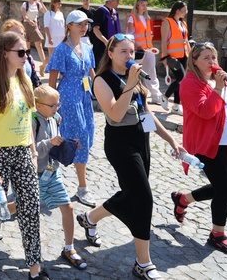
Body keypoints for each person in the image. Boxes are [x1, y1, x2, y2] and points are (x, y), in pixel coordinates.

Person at [78, 33, 184, 280]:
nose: (129, 56)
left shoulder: (134, 79)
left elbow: (146, 114)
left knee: (131, 193)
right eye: (123, 52)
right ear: (111, 53)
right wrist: (129, 86)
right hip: (120, 144)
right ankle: (143, 263)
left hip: (140, 141)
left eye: (132, 51)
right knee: (143, 198)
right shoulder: (102, 80)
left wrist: (170, 139)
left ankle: (89, 218)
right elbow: (115, 114)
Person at [0, 31, 48, 280]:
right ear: (5, 53)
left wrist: (34, 152)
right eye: (21, 52)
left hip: (24, 152)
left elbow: (28, 121)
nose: (27, 56)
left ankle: (35, 268)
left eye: (27, 51)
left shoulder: (24, 80)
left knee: (31, 208)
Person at [170, 42, 227, 257]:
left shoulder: (218, 80)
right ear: (194, 60)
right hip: (208, 144)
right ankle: (217, 234)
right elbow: (206, 111)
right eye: (206, 58)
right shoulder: (189, 84)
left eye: (213, 58)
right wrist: (218, 88)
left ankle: (183, 199)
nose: (212, 62)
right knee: (224, 188)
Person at [32, 85, 87, 271]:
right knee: (19, 207)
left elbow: (57, 140)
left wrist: (69, 144)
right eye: (53, 105)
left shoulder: (55, 118)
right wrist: (49, 143)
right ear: (38, 106)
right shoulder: (33, 121)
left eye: (58, 104)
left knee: (68, 207)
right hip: (36, 174)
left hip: (52, 172)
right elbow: (32, 150)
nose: (57, 108)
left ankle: (69, 248)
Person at [46, 10, 97, 208]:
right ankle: (82, 187)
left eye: (85, 24)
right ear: (69, 26)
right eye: (79, 24)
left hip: (84, 96)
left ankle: (50, 175)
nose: (84, 27)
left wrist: (102, 90)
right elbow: (52, 78)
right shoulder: (61, 49)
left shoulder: (87, 47)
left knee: (87, 134)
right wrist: (50, 103)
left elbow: (92, 72)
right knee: (79, 137)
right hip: (68, 96)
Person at [126, 0, 167, 109]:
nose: (145, 7)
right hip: (138, 50)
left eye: (146, 5)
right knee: (137, 73)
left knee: (151, 72)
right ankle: (134, 95)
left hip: (149, 49)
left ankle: (155, 95)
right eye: (143, 4)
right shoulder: (132, 18)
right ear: (137, 5)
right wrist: (138, 46)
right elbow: (130, 35)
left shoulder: (147, 18)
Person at [160, 1, 190, 114]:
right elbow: (163, 41)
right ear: (177, 10)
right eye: (184, 10)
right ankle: (165, 96)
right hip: (172, 56)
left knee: (181, 81)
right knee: (182, 79)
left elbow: (186, 41)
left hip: (183, 55)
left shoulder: (183, 24)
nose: (186, 12)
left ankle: (176, 105)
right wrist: (165, 57)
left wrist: (192, 55)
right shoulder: (167, 22)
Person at [2, 19, 41, 88]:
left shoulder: (28, 58)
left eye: (22, 34)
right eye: (15, 34)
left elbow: (33, 79)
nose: (20, 37)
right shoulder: (3, 59)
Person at [92, 0, 122, 68]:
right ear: (110, 0)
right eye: (117, 0)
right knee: (100, 67)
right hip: (101, 47)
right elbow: (96, 29)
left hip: (113, 46)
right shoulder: (100, 12)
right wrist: (106, 42)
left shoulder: (115, 13)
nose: (119, 2)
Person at [21, 0, 47, 72]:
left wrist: (42, 3)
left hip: (34, 25)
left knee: (39, 46)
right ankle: (28, 65)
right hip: (26, 25)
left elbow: (46, 12)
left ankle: (44, 65)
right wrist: (29, 21)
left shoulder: (38, 4)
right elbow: (24, 16)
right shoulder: (25, 4)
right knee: (27, 47)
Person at [42, 0, 65, 72]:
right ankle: (43, 66)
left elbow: (62, 26)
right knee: (52, 57)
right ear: (53, 3)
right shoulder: (48, 14)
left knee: (60, 56)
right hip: (52, 37)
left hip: (61, 37)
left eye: (60, 4)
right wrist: (49, 38)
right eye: (58, 4)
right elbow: (46, 27)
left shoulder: (60, 14)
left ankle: (59, 73)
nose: (60, 5)